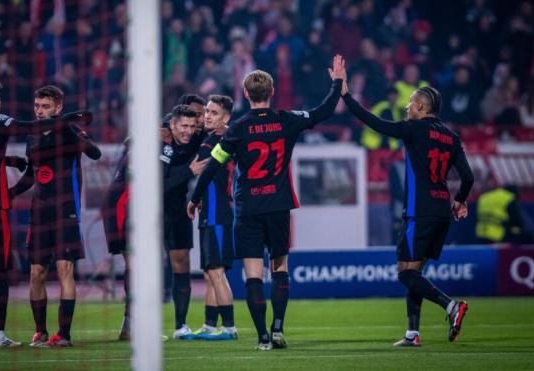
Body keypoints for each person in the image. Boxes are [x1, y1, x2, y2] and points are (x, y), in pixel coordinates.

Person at [188, 55, 346, 350]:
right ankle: (277, 328)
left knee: (253, 273)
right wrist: (337, 82)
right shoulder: (287, 120)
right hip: (278, 206)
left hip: (248, 208)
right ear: (271, 92)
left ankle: (261, 336)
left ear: (246, 94)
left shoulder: (236, 128)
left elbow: (212, 165)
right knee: (280, 268)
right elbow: (324, 111)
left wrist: (195, 198)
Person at [0, 78, 91, 348]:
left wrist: (9, 162)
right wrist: (67, 119)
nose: (0, 100)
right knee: (0, 271)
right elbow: (28, 127)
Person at [341, 77, 475, 347]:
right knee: (415, 272)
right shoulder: (451, 137)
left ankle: (451, 307)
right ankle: (412, 333)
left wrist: (346, 96)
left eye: (411, 102)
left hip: (419, 211)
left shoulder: (414, 129)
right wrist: (459, 201)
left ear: (423, 109)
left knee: (405, 273)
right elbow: (468, 177)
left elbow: (374, 123)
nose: (406, 106)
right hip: (440, 211)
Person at [8, 85, 101, 348]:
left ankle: (65, 334)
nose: (39, 111)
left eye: (45, 107)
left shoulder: (69, 131)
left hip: (66, 211)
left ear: (58, 107)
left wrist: (70, 131)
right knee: (36, 273)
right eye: (37, 106)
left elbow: (95, 152)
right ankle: (40, 332)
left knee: (64, 270)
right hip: (39, 212)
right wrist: (11, 192)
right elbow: (31, 174)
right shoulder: (32, 136)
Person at [191, 95, 238, 341]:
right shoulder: (211, 138)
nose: (207, 115)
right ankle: (210, 325)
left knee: (217, 271)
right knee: (210, 272)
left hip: (218, 213)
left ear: (226, 118)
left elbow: (206, 172)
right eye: (207, 111)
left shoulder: (223, 139)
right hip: (208, 213)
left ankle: (229, 328)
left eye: (214, 112)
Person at [163, 105, 209, 340]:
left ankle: (180, 325)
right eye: (184, 126)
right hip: (149, 210)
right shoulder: (159, 140)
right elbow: (155, 184)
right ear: (172, 125)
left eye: (192, 126)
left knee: (181, 263)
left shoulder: (198, 137)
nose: (188, 131)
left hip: (178, 208)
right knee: (143, 269)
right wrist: (188, 171)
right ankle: (135, 325)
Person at [102, 137, 132, 340]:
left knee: (135, 270)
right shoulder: (138, 157)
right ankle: (130, 326)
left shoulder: (127, 156)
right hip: (122, 214)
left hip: (117, 212)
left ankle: (129, 326)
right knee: (137, 270)